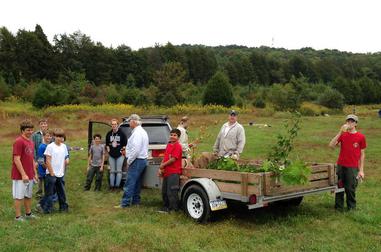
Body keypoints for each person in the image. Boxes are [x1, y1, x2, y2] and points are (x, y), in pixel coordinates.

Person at [329, 114, 366, 211]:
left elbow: (362, 154)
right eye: (348, 121)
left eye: (352, 121)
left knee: (350, 189)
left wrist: (361, 170)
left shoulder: (361, 137)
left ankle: (351, 208)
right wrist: (340, 132)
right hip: (341, 165)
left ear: (356, 124)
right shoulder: (343, 135)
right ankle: (338, 207)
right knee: (339, 186)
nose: (349, 123)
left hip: (352, 167)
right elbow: (331, 146)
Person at [117, 114, 148, 208]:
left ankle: (125, 203)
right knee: (137, 182)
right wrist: (126, 151)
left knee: (129, 182)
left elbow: (136, 150)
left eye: (129, 121)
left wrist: (129, 160)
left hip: (137, 160)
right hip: (141, 160)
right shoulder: (141, 131)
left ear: (134, 121)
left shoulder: (137, 133)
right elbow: (134, 148)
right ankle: (136, 201)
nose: (129, 123)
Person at [11, 120, 38, 221]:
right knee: (19, 196)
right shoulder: (19, 141)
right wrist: (23, 174)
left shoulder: (31, 142)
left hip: (30, 174)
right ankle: (18, 217)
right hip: (20, 175)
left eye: (31, 130)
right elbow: (16, 159)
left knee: (28, 195)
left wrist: (34, 173)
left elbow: (31, 158)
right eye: (28, 130)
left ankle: (28, 214)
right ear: (22, 131)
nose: (30, 132)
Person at [41, 128, 69, 213]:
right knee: (49, 193)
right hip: (51, 174)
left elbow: (65, 158)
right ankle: (47, 209)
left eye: (61, 137)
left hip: (60, 174)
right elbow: (47, 160)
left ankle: (63, 208)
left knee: (61, 192)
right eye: (57, 136)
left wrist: (63, 170)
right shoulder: (50, 146)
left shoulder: (64, 146)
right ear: (54, 137)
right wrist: (52, 172)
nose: (59, 138)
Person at [157, 129, 183, 213]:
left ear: (178, 137)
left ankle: (174, 209)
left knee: (172, 191)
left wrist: (163, 165)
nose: (172, 136)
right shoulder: (169, 145)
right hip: (167, 172)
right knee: (164, 191)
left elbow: (173, 159)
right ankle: (166, 207)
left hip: (174, 172)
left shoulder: (178, 146)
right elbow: (165, 157)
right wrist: (161, 167)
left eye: (174, 135)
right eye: (171, 134)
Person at [106, 119, 127, 190]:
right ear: (111, 125)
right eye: (112, 124)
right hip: (111, 155)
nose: (114, 125)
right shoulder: (109, 134)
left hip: (120, 155)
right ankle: (112, 186)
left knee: (118, 171)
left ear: (117, 125)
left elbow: (124, 145)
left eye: (115, 124)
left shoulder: (122, 134)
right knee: (112, 171)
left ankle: (117, 186)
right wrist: (108, 150)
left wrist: (123, 151)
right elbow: (107, 144)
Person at [32, 118, 48, 196]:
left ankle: (47, 192)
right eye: (42, 124)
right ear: (39, 125)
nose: (43, 125)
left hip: (47, 157)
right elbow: (33, 148)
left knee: (47, 174)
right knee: (40, 175)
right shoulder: (35, 135)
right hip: (39, 158)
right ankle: (39, 191)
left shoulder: (49, 134)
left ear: (47, 125)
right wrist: (35, 160)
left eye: (45, 123)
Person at [36, 130, 52, 199]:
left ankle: (46, 195)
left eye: (50, 136)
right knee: (42, 182)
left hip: (48, 168)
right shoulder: (42, 147)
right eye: (47, 136)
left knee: (47, 184)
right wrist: (47, 168)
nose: (49, 137)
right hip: (43, 169)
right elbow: (40, 160)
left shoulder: (50, 146)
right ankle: (40, 195)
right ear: (43, 136)